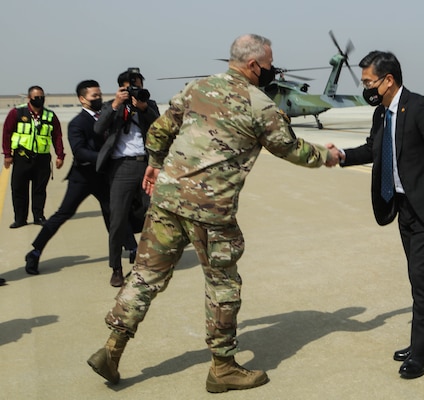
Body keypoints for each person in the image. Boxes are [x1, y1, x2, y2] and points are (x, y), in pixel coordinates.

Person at [87, 33, 339, 393]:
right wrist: (327, 155)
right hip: (210, 210)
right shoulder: (259, 103)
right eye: (268, 65)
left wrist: (155, 165)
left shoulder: (196, 88)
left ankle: (111, 350)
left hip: (167, 200)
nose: (270, 71)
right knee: (223, 286)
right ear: (254, 65)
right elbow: (290, 148)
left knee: (145, 276)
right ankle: (222, 367)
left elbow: (159, 131)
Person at [328, 51, 424, 379]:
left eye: (368, 82)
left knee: (421, 278)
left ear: (388, 80)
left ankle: (421, 355)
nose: (365, 87)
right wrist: (340, 156)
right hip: (403, 207)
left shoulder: (422, 109)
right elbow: (371, 149)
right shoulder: (381, 113)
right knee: (420, 278)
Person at [23, 80, 135, 276]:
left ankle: (132, 248)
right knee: (63, 214)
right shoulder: (77, 123)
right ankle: (35, 251)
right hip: (82, 178)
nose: (98, 98)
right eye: (94, 96)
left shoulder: (107, 115)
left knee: (115, 212)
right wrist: (104, 157)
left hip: (103, 176)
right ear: (82, 99)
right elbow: (79, 151)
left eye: (100, 95)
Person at [94, 69, 160, 287]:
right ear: (121, 88)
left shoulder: (148, 105)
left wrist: (142, 107)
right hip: (121, 167)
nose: (136, 91)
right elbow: (99, 127)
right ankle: (116, 268)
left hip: (147, 165)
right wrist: (115, 104)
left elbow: (160, 127)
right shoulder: (111, 106)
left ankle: (150, 263)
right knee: (117, 219)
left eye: (139, 86)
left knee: (154, 217)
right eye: (130, 87)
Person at [2, 86, 65, 228]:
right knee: (19, 189)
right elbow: (7, 133)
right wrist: (7, 154)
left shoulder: (50, 115)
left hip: (42, 159)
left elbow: (57, 136)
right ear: (29, 98)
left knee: (39, 190)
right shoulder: (17, 113)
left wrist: (60, 155)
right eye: (37, 97)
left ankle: (39, 216)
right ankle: (20, 219)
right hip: (22, 158)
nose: (40, 100)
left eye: (42, 97)